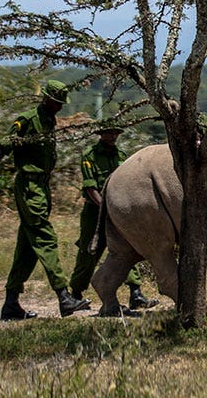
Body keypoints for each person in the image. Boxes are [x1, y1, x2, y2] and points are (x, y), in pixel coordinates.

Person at [0, 79, 91, 320]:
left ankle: (11, 304)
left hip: (42, 186)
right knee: (45, 238)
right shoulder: (26, 120)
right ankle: (64, 297)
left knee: (27, 247)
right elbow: (2, 149)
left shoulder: (49, 119)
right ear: (46, 99)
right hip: (29, 186)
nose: (60, 107)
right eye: (57, 102)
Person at [68, 126, 157, 311]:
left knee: (127, 248)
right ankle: (76, 293)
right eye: (109, 133)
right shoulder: (90, 155)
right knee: (89, 251)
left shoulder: (122, 155)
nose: (113, 136)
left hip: (118, 210)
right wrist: (106, 206)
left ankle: (135, 293)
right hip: (95, 211)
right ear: (101, 134)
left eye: (116, 133)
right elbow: (90, 187)